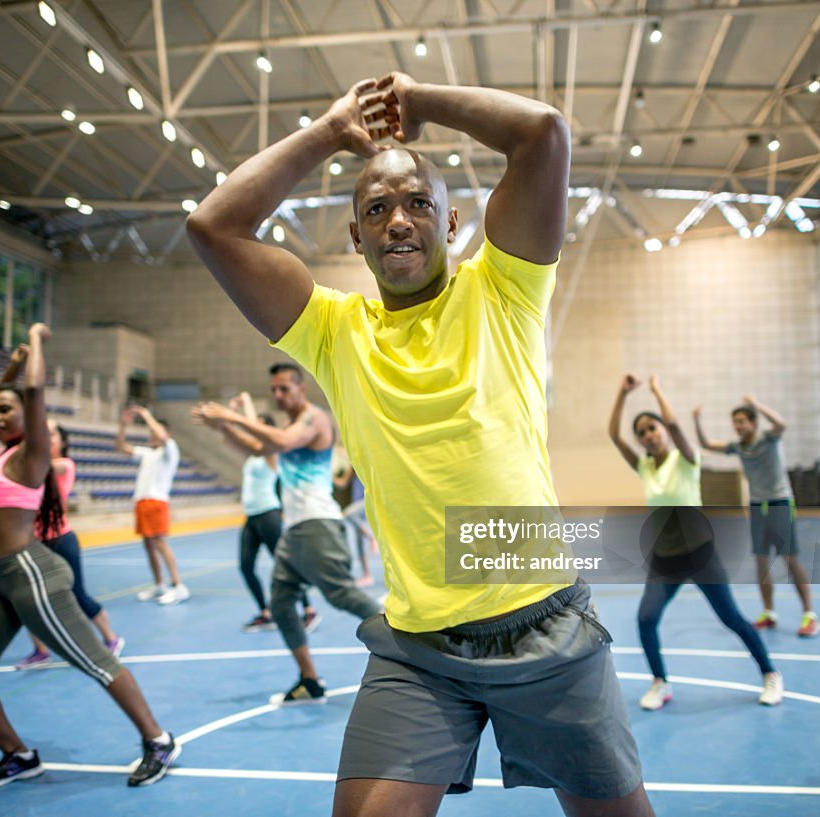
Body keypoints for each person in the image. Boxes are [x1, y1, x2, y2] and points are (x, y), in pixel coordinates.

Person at [187, 72, 654, 816]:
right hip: (420, 646)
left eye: (417, 203)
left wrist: (418, 100)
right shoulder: (334, 332)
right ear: (356, 235)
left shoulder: (504, 290)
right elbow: (214, 227)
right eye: (377, 208)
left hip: (543, 624)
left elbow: (543, 134)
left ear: (452, 219)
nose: (398, 219)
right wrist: (329, 132)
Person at [0, 326, 178, 791]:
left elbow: (30, 391)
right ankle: (18, 755)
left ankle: (158, 740)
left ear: (27, 418)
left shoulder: (31, 454)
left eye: (4, 410)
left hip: (32, 573)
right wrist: (10, 368)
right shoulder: (3, 454)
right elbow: (10, 391)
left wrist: (34, 340)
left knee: (97, 662)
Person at [193, 363, 380, 704]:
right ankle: (309, 679)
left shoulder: (315, 419)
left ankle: (413, 648)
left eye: (284, 389)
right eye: (274, 390)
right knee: (280, 604)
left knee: (342, 596)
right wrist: (223, 426)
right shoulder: (292, 425)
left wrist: (233, 417)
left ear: (301, 388)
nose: (278, 396)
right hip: (295, 530)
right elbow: (257, 448)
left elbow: (279, 440)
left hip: (318, 525)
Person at [609, 374, 782, 710]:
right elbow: (613, 436)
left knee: (731, 618)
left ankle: (770, 673)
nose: (648, 435)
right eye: (642, 432)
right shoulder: (644, 466)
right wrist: (622, 393)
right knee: (646, 619)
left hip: (700, 556)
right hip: (664, 560)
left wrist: (657, 390)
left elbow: (675, 426)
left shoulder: (686, 460)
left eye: (652, 428)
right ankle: (660, 682)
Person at [694, 397, 820, 636]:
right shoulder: (739, 446)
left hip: (780, 503)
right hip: (756, 505)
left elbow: (781, 423)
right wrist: (696, 419)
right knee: (761, 561)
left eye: (741, 421)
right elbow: (706, 444)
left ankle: (809, 615)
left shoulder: (768, 438)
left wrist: (757, 404)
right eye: (735, 423)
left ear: (753, 422)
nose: (738, 426)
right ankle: (769, 613)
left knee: (789, 559)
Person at [200, 391, 320, 633]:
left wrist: (245, 401)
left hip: (269, 514)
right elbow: (242, 436)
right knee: (245, 566)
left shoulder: (271, 452)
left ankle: (308, 609)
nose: (256, 431)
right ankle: (266, 612)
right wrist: (226, 419)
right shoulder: (253, 454)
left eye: (261, 428)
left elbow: (253, 428)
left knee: (285, 564)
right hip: (252, 516)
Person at [16, 419, 124, 669]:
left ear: (63, 442)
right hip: (34, 540)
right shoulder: (32, 466)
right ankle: (41, 652)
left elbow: (45, 468)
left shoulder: (64, 465)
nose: (46, 436)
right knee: (28, 597)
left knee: (77, 595)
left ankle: (111, 639)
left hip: (61, 539)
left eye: (51, 434)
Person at [116, 406, 189, 605]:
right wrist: (123, 426)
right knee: (148, 546)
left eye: (154, 431)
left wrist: (148, 415)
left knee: (160, 543)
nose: (151, 434)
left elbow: (164, 438)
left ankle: (178, 585)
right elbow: (122, 447)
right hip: (141, 501)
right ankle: (159, 584)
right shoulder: (148, 453)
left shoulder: (170, 450)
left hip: (157, 502)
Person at [332, 458, 376, 588]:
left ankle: (371, 537)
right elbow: (343, 484)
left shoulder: (369, 461)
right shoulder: (354, 465)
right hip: (357, 503)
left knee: (348, 514)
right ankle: (367, 575)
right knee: (358, 540)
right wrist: (329, 476)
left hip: (368, 501)